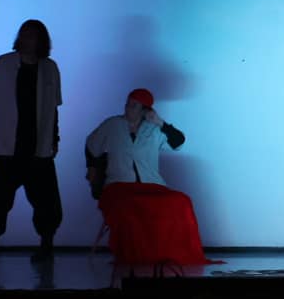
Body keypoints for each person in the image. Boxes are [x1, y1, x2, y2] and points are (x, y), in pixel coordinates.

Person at [85, 88, 218, 266]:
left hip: (151, 184)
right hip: (118, 185)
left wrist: (160, 122)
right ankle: (133, 254)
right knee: (127, 204)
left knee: (181, 201)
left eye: (133, 106)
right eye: (127, 104)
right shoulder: (112, 125)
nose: (128, 108)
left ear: (144, 110)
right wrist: (92, 168)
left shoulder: (154, 129)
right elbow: (92, 145)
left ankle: (171, 253)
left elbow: (178, 141)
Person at [0, 19, 63, 265]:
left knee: (48, 203)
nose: (27, 39)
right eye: (24, 34)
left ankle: (46, 245)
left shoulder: (50, 68)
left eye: (32, 35)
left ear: (41, 40)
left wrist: (55, 137)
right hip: (8, 147)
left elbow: (53, 108)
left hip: (38, 147)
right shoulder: (3, 64)